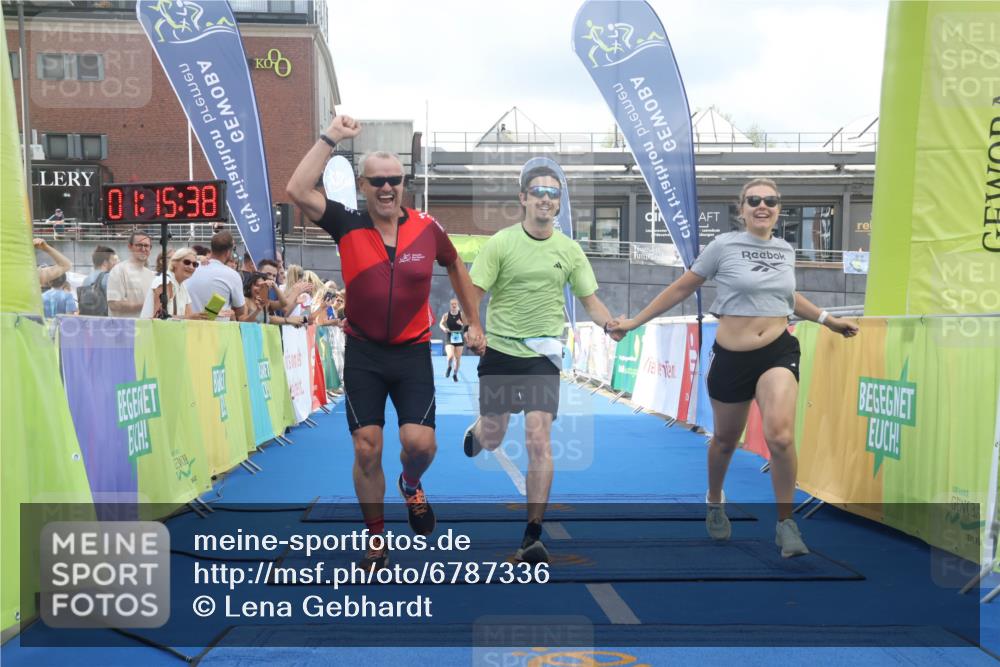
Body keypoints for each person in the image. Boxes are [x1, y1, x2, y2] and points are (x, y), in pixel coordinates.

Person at [607, 178, 858, 557]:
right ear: (741, 209)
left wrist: (827, 319)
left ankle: (786, 525)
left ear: (778, 208)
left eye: (770, 201)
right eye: (754, 200)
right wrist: (634, 322)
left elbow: (789, 297)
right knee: (725, 441)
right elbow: (681, 288)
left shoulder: (785, 250)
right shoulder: (723, 246)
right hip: (731, 357)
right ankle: (714, 499)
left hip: (777, 350)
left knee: (781, 436)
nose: (763, 206)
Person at [286, 114, 484, 571]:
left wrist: (475, 322)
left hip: (412, 351)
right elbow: (296, 190)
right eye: (377, 182)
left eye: (394, 180)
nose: (387, 188)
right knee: (366, 446)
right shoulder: (346, 223)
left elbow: (456, 267)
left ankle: (411, 483)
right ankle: (376, 538)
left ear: (403, 184)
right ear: (362, 185)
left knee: (421, 445)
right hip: (364, 352)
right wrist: (331, 136)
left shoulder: (428, 228)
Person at [461, 165, 616, 564]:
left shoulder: (569, 250)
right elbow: (472, 295)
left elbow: (591, 301)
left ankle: (532, 534)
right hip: (500, 351)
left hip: (543, 356)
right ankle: (481, 429)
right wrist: (473, 327)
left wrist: (610, 324)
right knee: (495, 435)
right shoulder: (502, 243)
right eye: (538, 191)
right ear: (523, 199)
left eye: (553, 192)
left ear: (559, 202)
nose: (546, 198)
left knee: (538, 438)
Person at [185, 230, 247, 321]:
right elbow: (240, 311)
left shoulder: (191, 268)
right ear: (228, 252)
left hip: (189, 329)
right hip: (218, 331)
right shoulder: (232, 275)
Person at [140, 247, 203, 319]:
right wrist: (189, 317)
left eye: (195, 264)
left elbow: (188, 314)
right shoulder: (164, 282)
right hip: (151, 329)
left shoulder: (182, 285)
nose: (191, 267)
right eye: (187, 262)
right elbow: (158, 318)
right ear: (174, 263)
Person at [106, 232, 155, 318]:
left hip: (146, 328)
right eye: (139, 245)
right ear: (130, 247)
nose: (143, 249)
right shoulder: (118, 271)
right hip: (125, 329)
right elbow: (114, 304)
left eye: (146, 246)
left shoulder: (151, 275)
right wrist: (147, 305)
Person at [78, 245, 118, 316]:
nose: (115, 263)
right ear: (105, 263)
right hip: (105, 321)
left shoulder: (86, 279)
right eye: (113, 260)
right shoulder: (108, 277)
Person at [438, 298, 466, 382]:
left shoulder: (461, 315)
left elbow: (467, 325)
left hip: (459, 338)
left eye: (455, 304)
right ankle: (449, 367)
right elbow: (441, 324)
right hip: (450, 336)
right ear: (450, 305)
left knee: (457, 358)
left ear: (457, 305)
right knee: (450, 356)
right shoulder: (446, 315)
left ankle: (455, 374)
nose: (454, 305)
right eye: (452, 304)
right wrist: (444, 328)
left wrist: (461, 324)